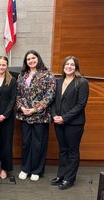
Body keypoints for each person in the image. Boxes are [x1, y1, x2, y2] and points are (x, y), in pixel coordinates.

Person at [16, 50, 56, 182]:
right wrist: (22, 108)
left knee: (39, 144)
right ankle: (25, 168)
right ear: (25, 62)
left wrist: (34, 109)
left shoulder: (47, 74)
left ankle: (37, 170)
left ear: (38, 58)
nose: (31, 61)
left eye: (33, 58)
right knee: (26, 143)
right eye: (28, 59)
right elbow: (18, 95)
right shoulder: (22, 75)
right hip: (25, 115)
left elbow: (49, 95)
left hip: (40, 115)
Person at [50, 56, 89, 190]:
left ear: (76, 67)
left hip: (74, 124)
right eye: (67, 64)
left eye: (72, 65)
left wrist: (64, 118)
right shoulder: (58, 81)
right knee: (63, 150)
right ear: (63, 66)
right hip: (58, 122)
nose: (69, 67)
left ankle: (69, 179)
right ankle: (61, 175)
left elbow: (81, 105)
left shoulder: (82, 82)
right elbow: (54, 102)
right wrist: (55, 115)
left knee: (72, 151)